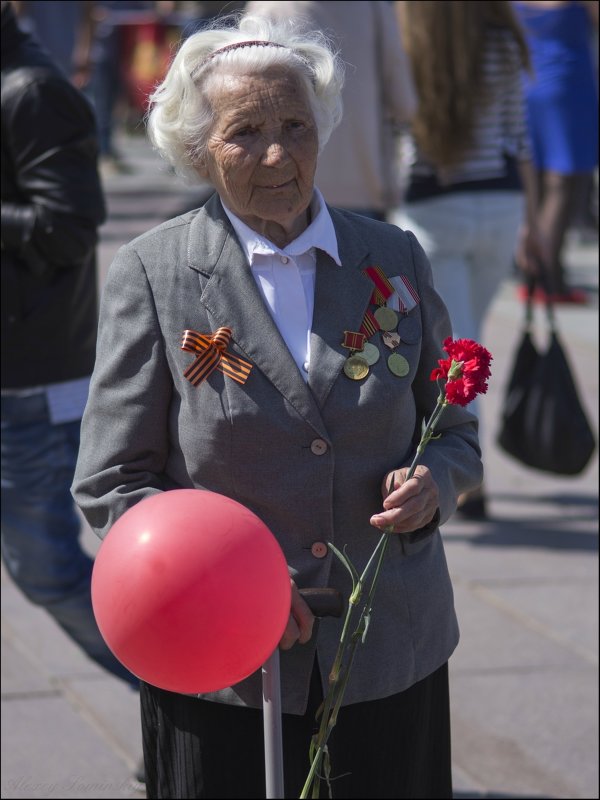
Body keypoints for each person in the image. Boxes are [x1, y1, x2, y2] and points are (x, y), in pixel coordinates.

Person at [71, 12, 483, 799]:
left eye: (296, 125)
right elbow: (113, 480)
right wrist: (230, 591)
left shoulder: (391, 256)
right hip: (221, 662)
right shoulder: (154, 273)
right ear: (198, 149)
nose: (277, 153)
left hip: (387, 645)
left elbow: (453, 428)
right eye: (244, 131)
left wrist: (436, 483)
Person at [0, 0, 141, 708]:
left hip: (25, 382)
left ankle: (190, 695)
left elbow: (70, 225)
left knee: (49, 568)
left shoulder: (30, 89)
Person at [390, 1, 541, 520]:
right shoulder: (502, 38)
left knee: (453, 354)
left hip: (433, 205)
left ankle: (466, 479)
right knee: (469, 343)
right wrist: (537, 221)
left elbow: (395, 127)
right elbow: (520, 138)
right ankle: (465, 471)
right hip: (499, 203)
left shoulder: (408, 42)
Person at [245, 0, 416, 221]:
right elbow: (405, 105)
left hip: (287, 186)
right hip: (365, 186)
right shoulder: (374, 8)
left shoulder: (268, 7)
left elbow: (248, 101)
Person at [512, 0, 599, 303]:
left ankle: (537, 272)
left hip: (527, 87)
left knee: (534, 180)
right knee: (563, 184)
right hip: (567, 87)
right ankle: (546, 279)